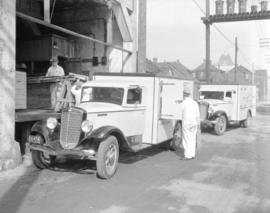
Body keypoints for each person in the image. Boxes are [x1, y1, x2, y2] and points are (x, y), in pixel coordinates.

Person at [180, 88, 200, 160]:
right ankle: (192, 154)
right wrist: (198, 124)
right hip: (194, 123)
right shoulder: (194, 103)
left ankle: (187, 155)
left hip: (187, 123)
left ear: (184, 94)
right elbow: (198, 114)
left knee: (186, 139)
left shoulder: (183, 103)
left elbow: (179, 111)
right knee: (193, 139)